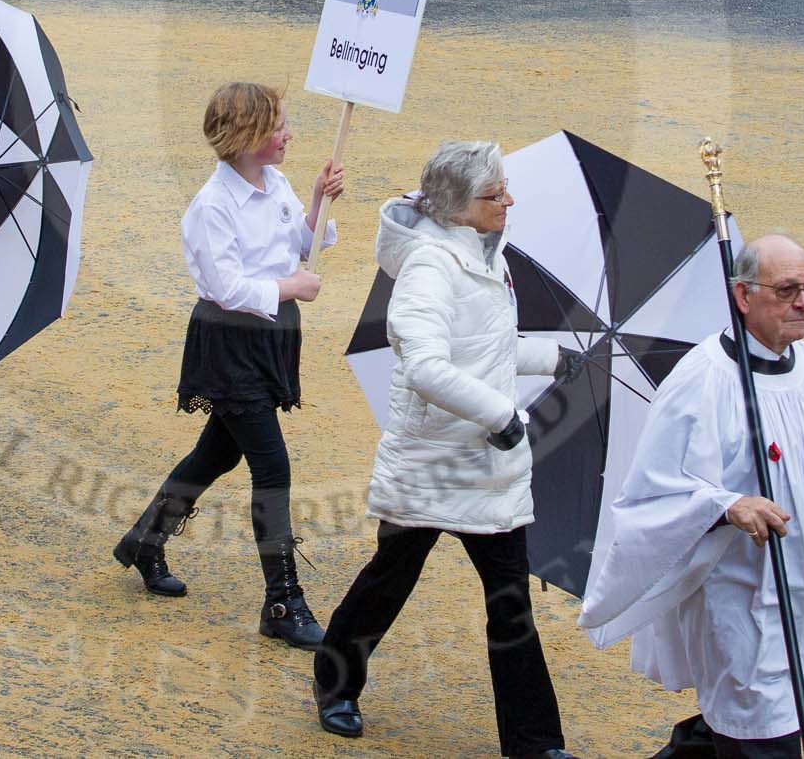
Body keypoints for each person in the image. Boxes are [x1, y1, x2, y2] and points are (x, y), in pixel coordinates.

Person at [311, 142, 582, 758]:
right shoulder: (431, 269)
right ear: (458, 208)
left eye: (505, 190)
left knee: (509, 604)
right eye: (495, 195)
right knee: (389, 579)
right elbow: (427, 366)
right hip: (434, 461)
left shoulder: (486, 257)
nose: (509, 201)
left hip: (486, 466)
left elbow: (485, 349)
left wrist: (552, 357)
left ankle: (535, 744)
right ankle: (336, 683)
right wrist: (502, 417)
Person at [578, 233, 804, 759]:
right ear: (742, 295)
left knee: (752, 726)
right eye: (786, 290)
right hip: (738, 598)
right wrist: (725, 505)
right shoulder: (703, 381)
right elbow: (651, 492)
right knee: (761, 730)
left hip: (799, 588)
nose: (802, 303)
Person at [111, 83, 341, 649]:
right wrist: (290, 287)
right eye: (280, 126)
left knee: (220, 449)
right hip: (231, 341)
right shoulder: (211, 207)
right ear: (247, 137)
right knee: (272, 465)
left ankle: (146, 539)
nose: (289, 134)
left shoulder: (279, 183)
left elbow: (303, 241)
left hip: (272, 336)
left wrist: (315, 204)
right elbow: (226, 286)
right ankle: (282, 601)